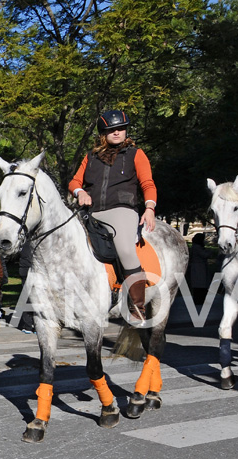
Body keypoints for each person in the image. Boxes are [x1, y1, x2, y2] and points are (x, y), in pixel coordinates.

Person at [69, 109, 156, 323]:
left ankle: (137, 308)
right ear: (103, 133)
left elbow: (147, 184)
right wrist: (80, 193)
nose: (117, 132)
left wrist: (150, 208)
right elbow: (74, 182)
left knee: (126, 250)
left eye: (121, 129)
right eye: (112, 130)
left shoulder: (137, 154)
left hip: (121, 210)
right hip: (92, 212)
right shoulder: (90, 157)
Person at [16, 239, 36, 334]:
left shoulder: (24, 245)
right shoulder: (36, 244)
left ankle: (28, 325)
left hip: (25, 271)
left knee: (26, 298)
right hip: (34, 271)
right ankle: (36, 325)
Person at [187, 233, 212, 306]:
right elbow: (204, 255)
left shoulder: (196, 247)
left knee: (201, 284)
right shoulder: (197, 247)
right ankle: (199, 300)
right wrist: (210, 251)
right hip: (199, 268)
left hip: (200, 267)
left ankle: (201, 299)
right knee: (200, 284)